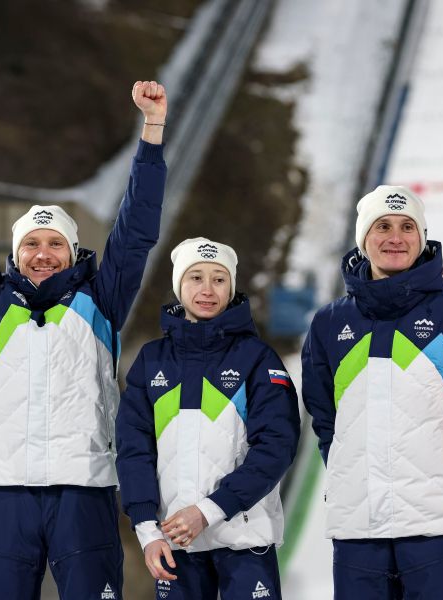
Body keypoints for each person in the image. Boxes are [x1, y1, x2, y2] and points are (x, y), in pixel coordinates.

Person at [0, 79, 167, 599]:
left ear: (74, 251)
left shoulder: (101, 300)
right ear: (15, 255)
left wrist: (152, 131)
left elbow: (136, 232)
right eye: (32, 244)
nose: (43, 254)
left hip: (82, 488)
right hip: (4, 492)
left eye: (56, 244)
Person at [301, 185, 443, 599]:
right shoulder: (328, 325)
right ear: (363, 239)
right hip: (358, 528)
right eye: (382, 225)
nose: (395, 237)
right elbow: (325, 419)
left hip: (438, 527)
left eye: (407, 227)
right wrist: (351, 476)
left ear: (422, 238)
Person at [115, 237, 300, 600]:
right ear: (178, 285)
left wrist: (209, 509)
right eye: (195, 277)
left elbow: (277, 446)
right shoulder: (152, 361)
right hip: (175, 544)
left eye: (219, 279)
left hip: (244, 540)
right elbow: (133, 450)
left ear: (231, 287)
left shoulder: (257, 359)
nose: (207, 289)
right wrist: (147, 530)